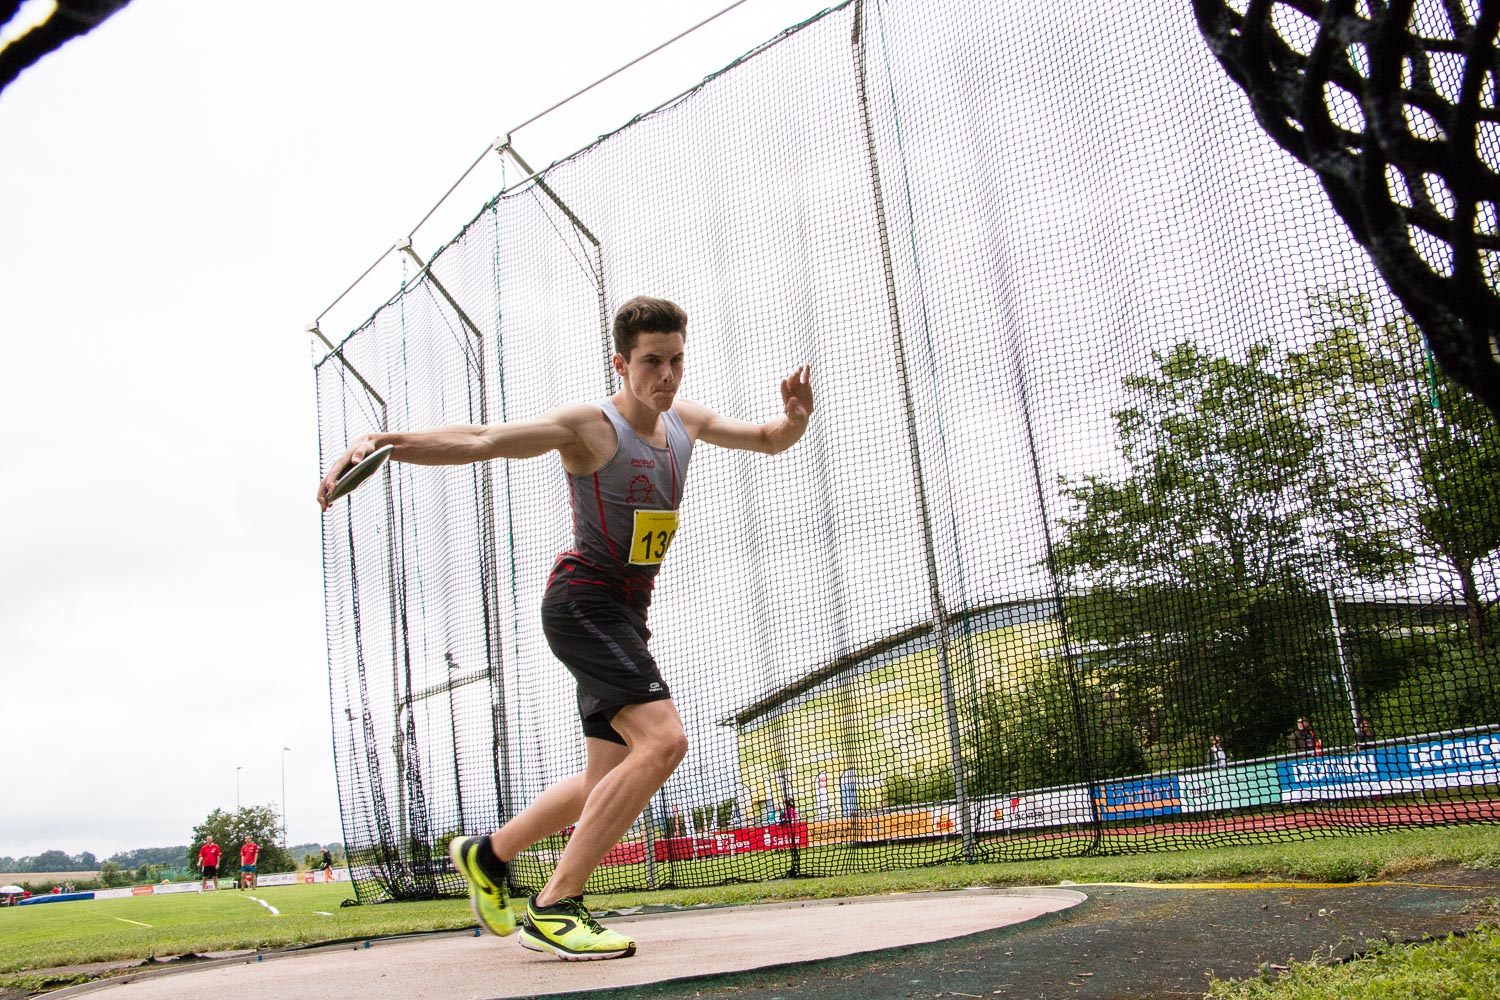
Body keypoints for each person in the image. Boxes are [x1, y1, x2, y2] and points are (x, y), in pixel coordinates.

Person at [317, 296, 813, 961]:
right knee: (664, 742)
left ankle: (491, 855)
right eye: (651, 362)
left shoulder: (687, 421)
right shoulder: (591, 427)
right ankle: (555, 906)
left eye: (676, 360)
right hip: (584, 603)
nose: (667, 376)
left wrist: (794, 419)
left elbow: (768, 440)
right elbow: (484, 440)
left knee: (604, 777)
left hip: (626, 616)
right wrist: (389, 443)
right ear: (621, 364)